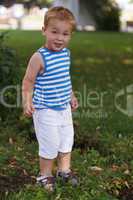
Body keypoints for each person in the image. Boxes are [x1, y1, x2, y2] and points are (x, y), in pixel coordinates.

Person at [22, 6, 78, 192]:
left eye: (65, 34)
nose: (60, 38)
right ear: (44, 30)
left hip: (63, 108)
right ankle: (45, 176)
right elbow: (28, 81)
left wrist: (71, 96)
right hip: (45, 109)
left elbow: (64, 78)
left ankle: (64, 170)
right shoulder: (39, 57)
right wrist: (27, 101)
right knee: (50, 143)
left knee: (66, 140)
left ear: (70, 36)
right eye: (54, 32)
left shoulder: (65, 54)